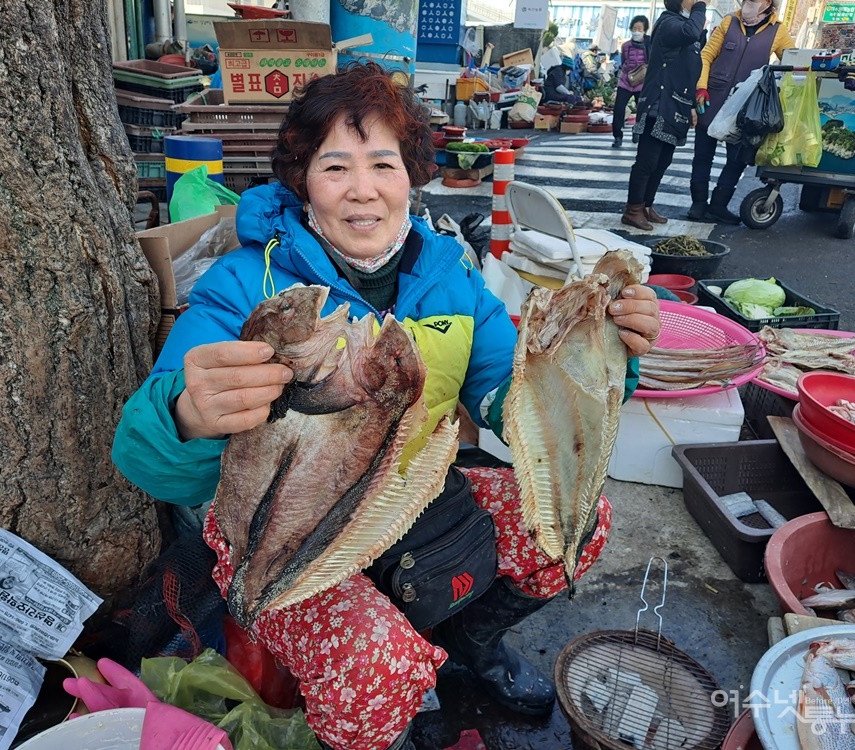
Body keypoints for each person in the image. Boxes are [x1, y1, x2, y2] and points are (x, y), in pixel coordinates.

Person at [112, 62, 661, 750]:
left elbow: (514, 409)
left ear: (411, 176)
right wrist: (189, 416)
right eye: (335, 166)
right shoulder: (241, 282)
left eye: (383, 163)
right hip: (285, 533)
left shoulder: (450, 274)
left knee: (580, 521)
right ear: (302, 181)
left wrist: (600, 357)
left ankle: (470, 645)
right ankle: (378, 713)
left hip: (413, 499)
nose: (363, 190)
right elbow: (145, 453)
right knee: (379, 667)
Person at [688, 0, 794, 223]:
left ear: (768, 4)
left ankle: (718, 205)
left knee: (737, 160)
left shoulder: (778, 31)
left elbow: (793, 61)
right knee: (702, 157)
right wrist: (701, 87)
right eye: (747, 0)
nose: (749, 4)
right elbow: (706, 56)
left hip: (746, 107)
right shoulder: (729, 22)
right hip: (712, 99)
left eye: (754, 1)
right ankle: (698, 205)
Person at [622, 0, 707, 230]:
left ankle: (647, 206)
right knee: (647, 161)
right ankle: (633, 209)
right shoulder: (669, 22)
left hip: (676, 105)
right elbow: (691, 32)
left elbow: (689, 69)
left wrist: (690, 106)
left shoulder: (683, 27)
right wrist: (700, 7)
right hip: (658, 104)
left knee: (662, 162)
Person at [612, 15, 652, 148]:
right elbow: (624, 62)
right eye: (634, 28)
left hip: (642, 83)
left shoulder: (649, 45)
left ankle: (637, 131)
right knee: (618, 108)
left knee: (642, 110)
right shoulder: (625, 46)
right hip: (626, 81)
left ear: (645, 30)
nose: (636, 31)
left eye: (640, 28)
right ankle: (617, 136)